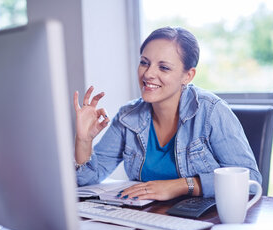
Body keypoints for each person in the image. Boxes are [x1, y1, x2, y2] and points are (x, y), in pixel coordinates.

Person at [73, 27, 262, 201]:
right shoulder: (127, 117)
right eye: (144, 63)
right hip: (148, 219)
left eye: (163, 67)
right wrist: (84, 140)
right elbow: (87, 180)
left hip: (205, 222)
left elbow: (251, 181)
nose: (148, 74)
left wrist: (181, 186)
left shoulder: (212, 111)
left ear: (187, 76)